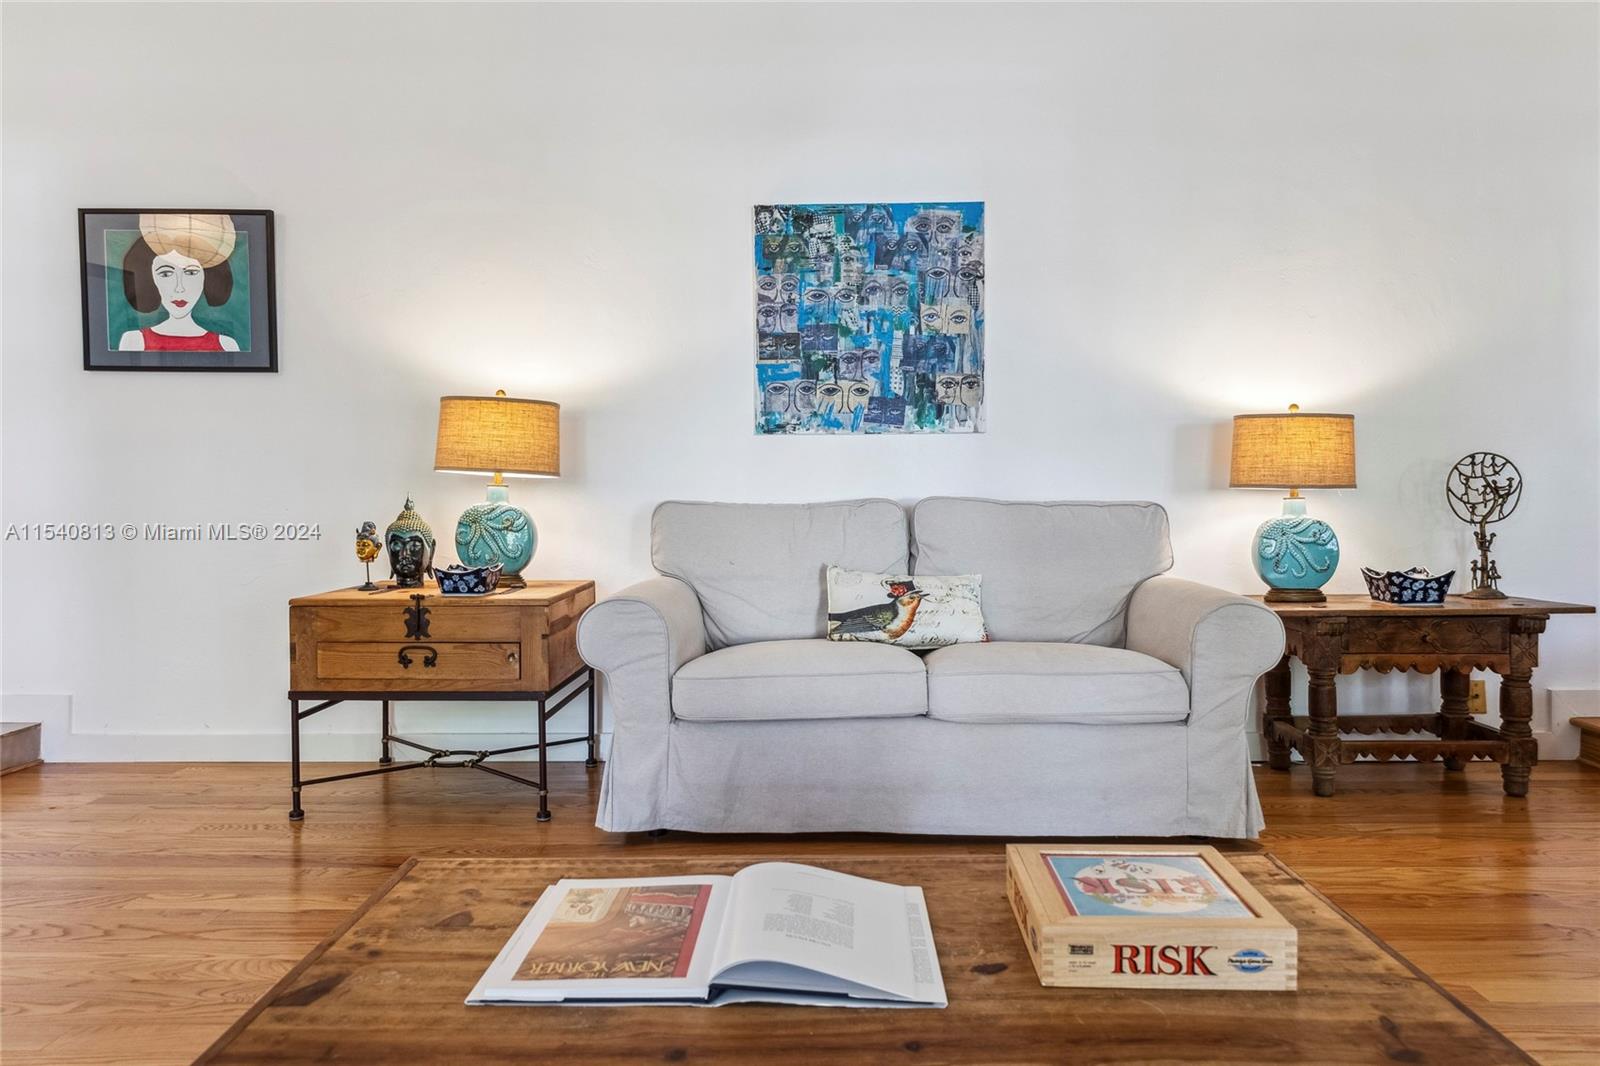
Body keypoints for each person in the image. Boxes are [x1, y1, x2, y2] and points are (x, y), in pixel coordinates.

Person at [116, 213, 240, 352]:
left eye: (191, 273)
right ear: (149, 278)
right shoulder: (134, 341)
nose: (179, 288)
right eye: (166, 274)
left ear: (207, 277)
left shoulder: (227, 345)